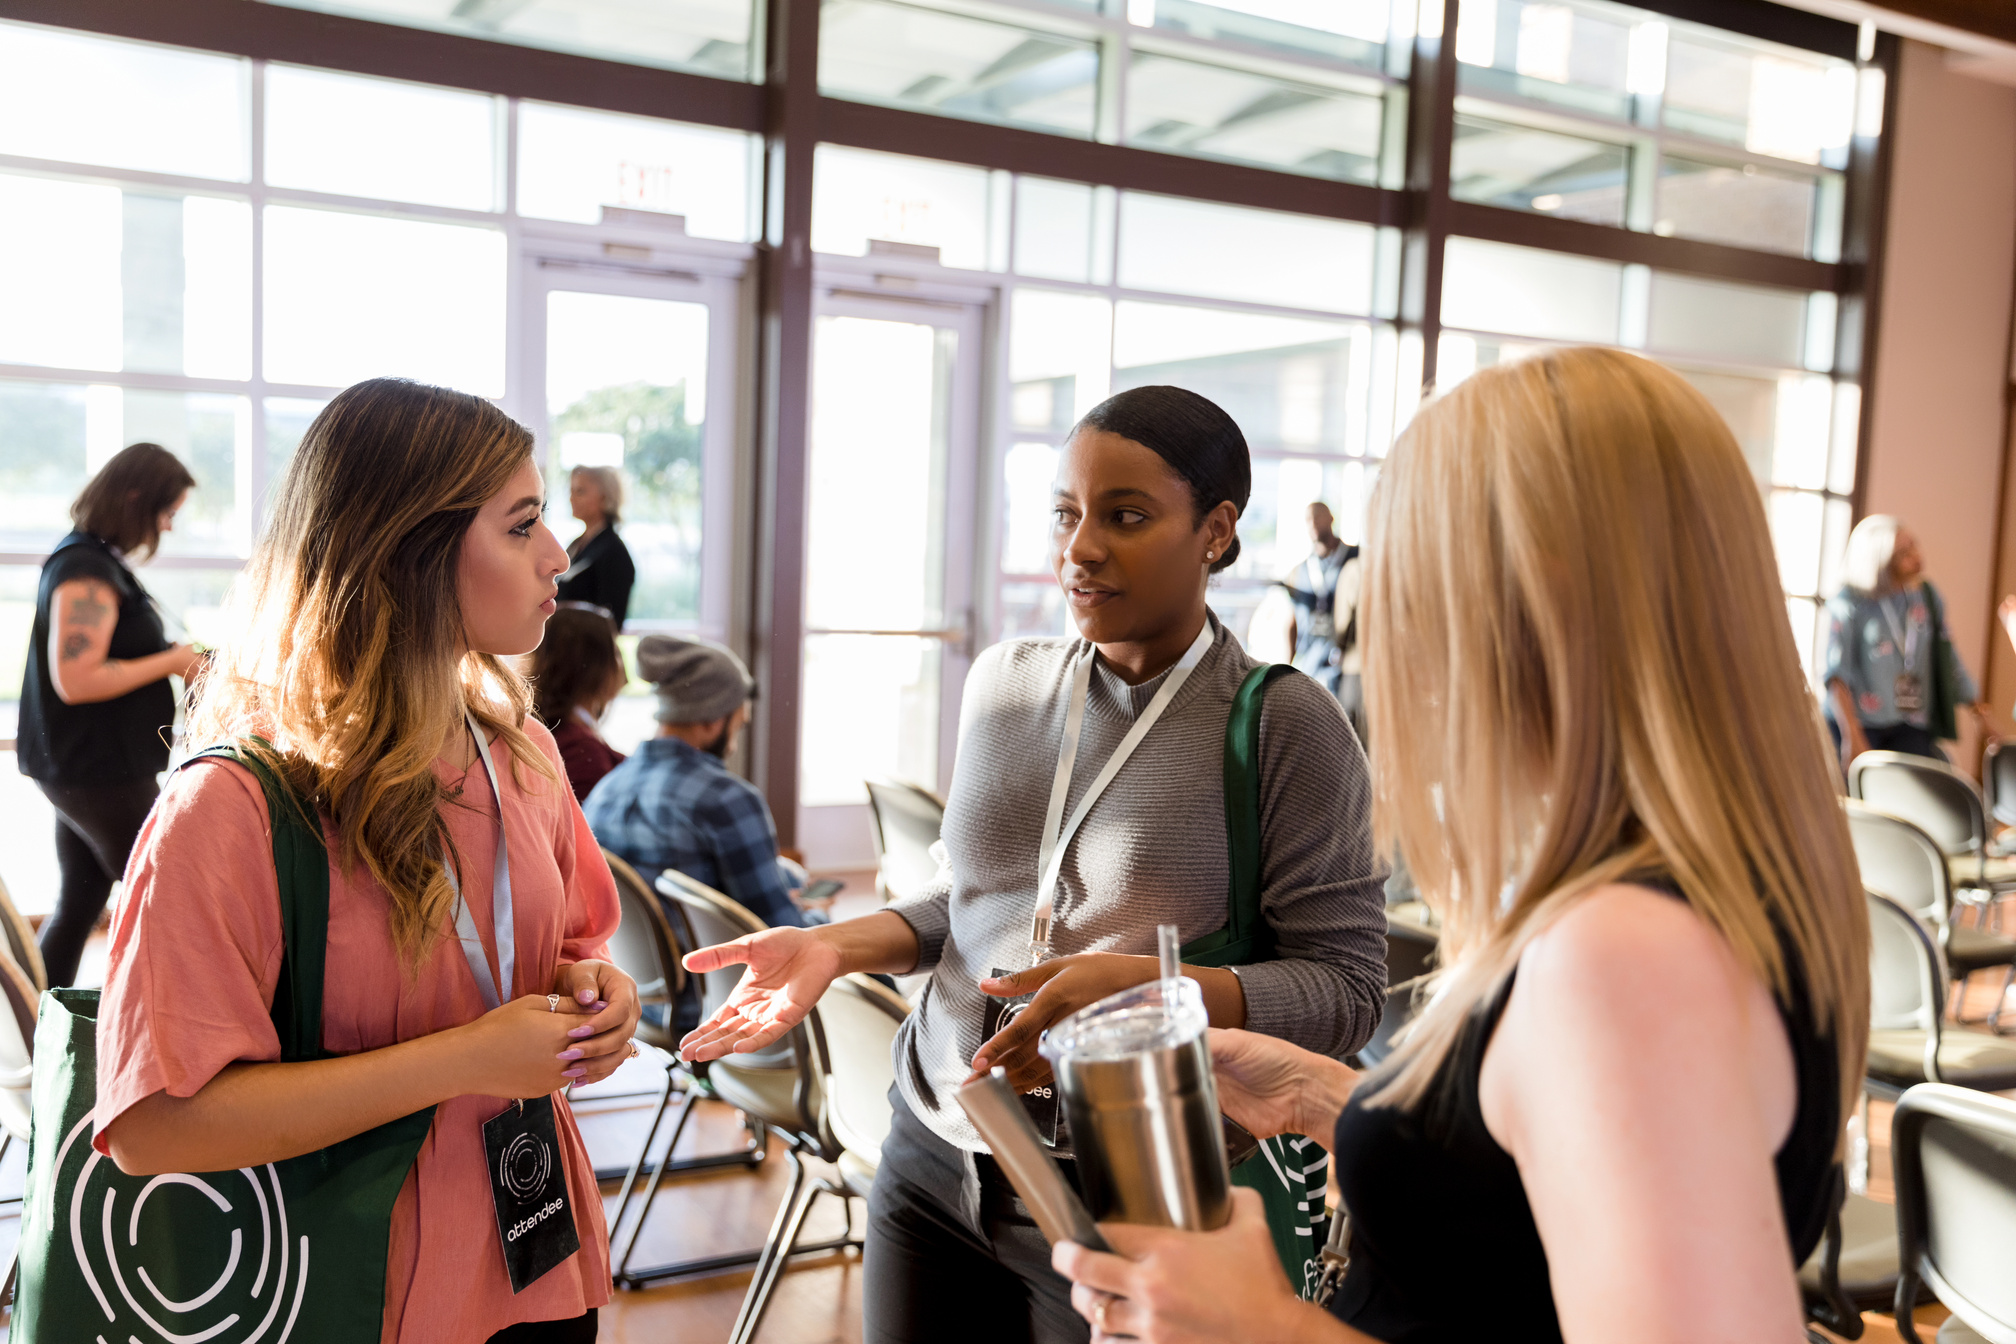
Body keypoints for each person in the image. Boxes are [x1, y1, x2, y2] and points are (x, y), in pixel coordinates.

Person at [1048, 348, 1869, 1344]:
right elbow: (1532, 1210)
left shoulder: (1624, 957)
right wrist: (1333, 1096)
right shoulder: (1701, 896)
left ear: (1536, 600)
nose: (1388, 630)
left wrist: (1262, 1328)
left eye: (1411, 577)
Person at [677, 384, 1388, 1344]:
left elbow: (1347, 991)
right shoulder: (1007, 683)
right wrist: (835, 945)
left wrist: (1141, 988)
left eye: (1126, 517)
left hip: (1131, 1188)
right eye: (1066, 514)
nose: (1080, 548)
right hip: (934, 1144)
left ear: (1217, 532)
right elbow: (974, 900)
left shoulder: (1283, 720)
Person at [94, 379, 641, 1344]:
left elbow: (566, 946)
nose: (558, 556)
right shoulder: (236, 806)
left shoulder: (520, 754)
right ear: (412, 553)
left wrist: (594, 993)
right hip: (337, 1291)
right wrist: (466, 1059)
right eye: (521, 527)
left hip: (536, 1262)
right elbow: (153, 1126)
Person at [16, 441, 202, 988]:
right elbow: (76, 680)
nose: (167, 528)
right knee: (166, 895)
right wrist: (171, 659)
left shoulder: (94, 562)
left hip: (85, 767)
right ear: (136, 498)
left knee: (78, 901)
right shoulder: (85, 570)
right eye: (166, 513)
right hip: (98, 771)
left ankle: (45, 1036)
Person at [582, 635, 814, 932]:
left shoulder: (606, 790)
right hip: (719, 973)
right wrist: (818, 917)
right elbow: (781, 930)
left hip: (640, 975)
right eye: (738, 726)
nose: (733, 745)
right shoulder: (727, 798)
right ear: (712, 720)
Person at [1822, 514, 1991, 769]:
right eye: (1903, 553)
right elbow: (1837, 676)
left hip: (1909, 724)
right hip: (1860, 724)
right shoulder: (1849, 603)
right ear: (1879, 561)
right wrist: (1852, 737)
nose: (1917, 557)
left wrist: (1982, 716)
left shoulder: (1925, 598)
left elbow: (1950, 659)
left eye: (1914, 545)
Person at [527, 604, 629, 801]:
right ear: (593, 665)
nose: (622, 669)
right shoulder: (582, 753)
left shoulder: (541, 729)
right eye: (615, 653)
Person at [1282, 502, 1365, 741]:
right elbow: (1293, 623)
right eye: (1308, 520)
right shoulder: (1300, 572)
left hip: (1349, 669)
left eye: (1318, 517)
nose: (1314, 524)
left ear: (1331, 518)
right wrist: (1286, 668)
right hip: (1312, 666)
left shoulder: (1357, 560)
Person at [554, 464, 635, 630]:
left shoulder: (614, 552)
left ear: (604, 497)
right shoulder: (575, 545)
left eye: (580, 491)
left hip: (587, 651)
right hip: (560, 647)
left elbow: (611, 621)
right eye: (571, 491)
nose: (571, 498)